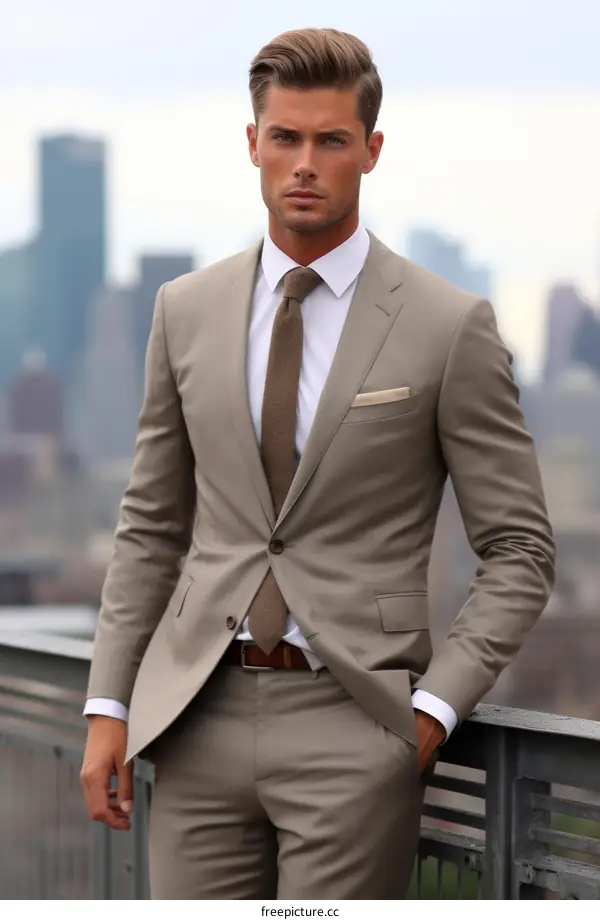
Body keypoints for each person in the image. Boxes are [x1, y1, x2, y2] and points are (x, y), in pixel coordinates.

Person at [80, 27, 555, 900]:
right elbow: (150, 524)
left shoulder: (447, 326)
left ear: (371, 152)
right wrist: (109, 706)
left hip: (354, 725)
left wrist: (431, 713)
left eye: (331, 140)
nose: (305, 163)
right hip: (194, 717)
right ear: (252, 144)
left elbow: (521, 549)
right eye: (285, 137)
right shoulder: (184, 309)